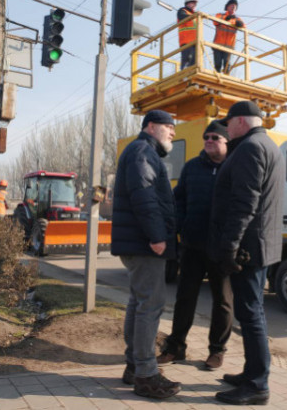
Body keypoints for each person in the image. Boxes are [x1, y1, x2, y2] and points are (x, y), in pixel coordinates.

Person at [209, 100, 284, 406]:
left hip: (247, 249)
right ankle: (251, 372)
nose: (226, 129)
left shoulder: (250, 148)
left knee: (251, 315)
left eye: (228, 124)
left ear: (240, 121)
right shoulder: (269, 145)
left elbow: (244, 202)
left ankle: (256, 385)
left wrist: (230, 245)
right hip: (260, 245)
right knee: (250, 312)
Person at [111, 109, 181, 400]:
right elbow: (144, 194)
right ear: (151, 127)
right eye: (169, 129)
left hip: (137, 242)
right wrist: (157, 236)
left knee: (138, 303)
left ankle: (134, 366)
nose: (173, 134)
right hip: (144, 243)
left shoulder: (142, 150)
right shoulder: (143, 152)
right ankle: (146, 375)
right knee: (150, 305)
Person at [157, 120, 233, 371]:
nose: (209, 141)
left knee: (222, 301)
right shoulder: (191, 168)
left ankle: (217, 351)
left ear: (226, 142)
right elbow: (177, 202)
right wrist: (176, 232)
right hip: (192, 246)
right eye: (206, 137)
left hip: (221, 249)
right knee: (184, 298)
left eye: (215, 138)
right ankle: (175, 347)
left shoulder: (233, 168)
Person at [213, 0, 245, 73]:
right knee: (217, 64)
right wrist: (226, 18)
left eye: (235, 6)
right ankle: (217, 77)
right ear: (227, 7)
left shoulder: (237, 19)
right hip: (218, 44)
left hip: (229, 46)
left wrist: (240, 24)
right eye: (231, 5)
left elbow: (244, 27)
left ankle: (225, 79)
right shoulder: (220, 15)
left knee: (227, 65)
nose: (233, 7)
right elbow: (215, 22)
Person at [177, 0, 198, 69]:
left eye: (195, 3)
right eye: (193, 3)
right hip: (186, 41)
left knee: (195, 61)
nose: (195, 5)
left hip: (195, 42)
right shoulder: (182, 11)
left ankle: (191, 75)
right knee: (186, 60)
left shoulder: (195, 15)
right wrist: (193, 16)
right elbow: (182, 17)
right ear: (187, 3)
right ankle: (184, 75)